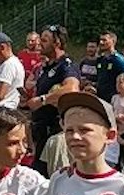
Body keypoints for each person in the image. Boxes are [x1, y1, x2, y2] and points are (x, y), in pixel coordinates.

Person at [25, 25, 77, 175]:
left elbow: (71, 88)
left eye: (44, 40)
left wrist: (42, 100)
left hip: (54, 134)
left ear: (57, 42)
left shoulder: (65, 65)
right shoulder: (46, 67)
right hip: (41, 133)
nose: (40, 43)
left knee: (55, 180)